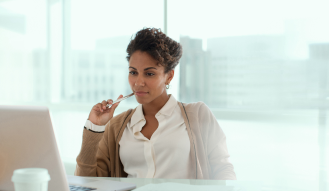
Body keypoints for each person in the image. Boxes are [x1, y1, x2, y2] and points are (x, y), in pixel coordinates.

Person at [75, 28, 236, 180]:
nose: (138, 83)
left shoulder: (198, 114)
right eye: (133, 72)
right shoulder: (117, 126)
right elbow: (87, 183)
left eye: (149, 73)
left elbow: (223, 170)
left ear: (169, 76)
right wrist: (95, 127)